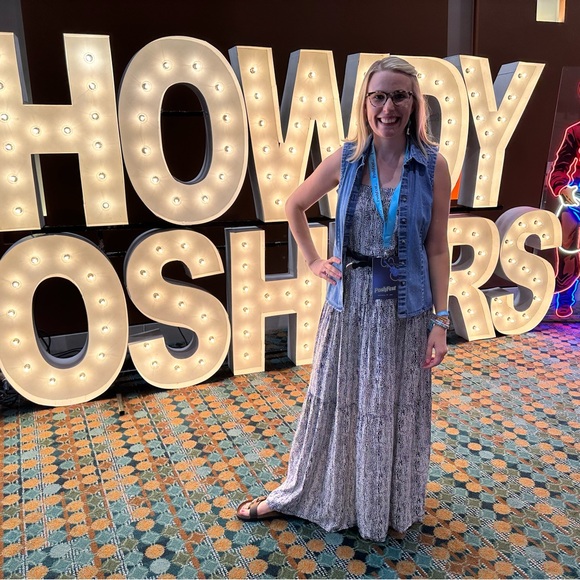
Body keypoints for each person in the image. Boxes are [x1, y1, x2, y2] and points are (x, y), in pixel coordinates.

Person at [236, 56, 451, 541]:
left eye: (400, 96)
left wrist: (441, 321)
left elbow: (437, 247)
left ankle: (381, 505)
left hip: (406, 312)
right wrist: (314, 260)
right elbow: (294, 204)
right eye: (379, 96)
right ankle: (315, 493)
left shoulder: (432, 165)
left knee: (392, 408)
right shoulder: (349, 158)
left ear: (415, 104)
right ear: (365, 102)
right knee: (339, 405)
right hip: (350, 307)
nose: (388, 107)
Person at [548, 103, 580, 318]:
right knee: (568, 250)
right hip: (576, 198)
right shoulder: (575, 131)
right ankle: (565, 297)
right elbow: (559, 168)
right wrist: (561, 187)